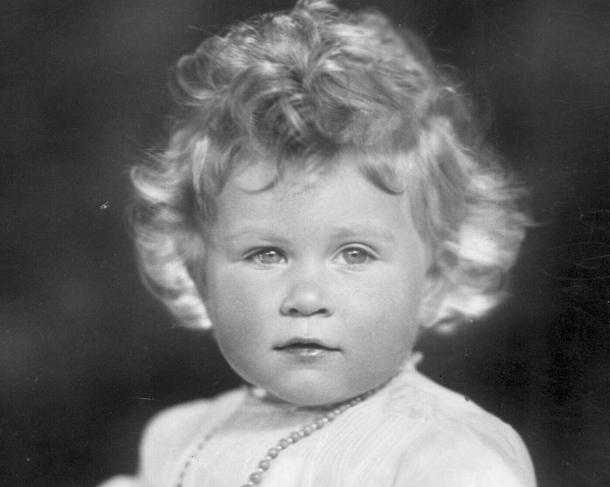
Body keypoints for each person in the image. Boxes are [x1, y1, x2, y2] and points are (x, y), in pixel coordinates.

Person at [100, 0, 536, 485]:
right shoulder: (177, 439)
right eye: (266, 254)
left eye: (354, 254)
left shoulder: (445, 455)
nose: (306, 298)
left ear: (433, 279)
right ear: (199, 274)